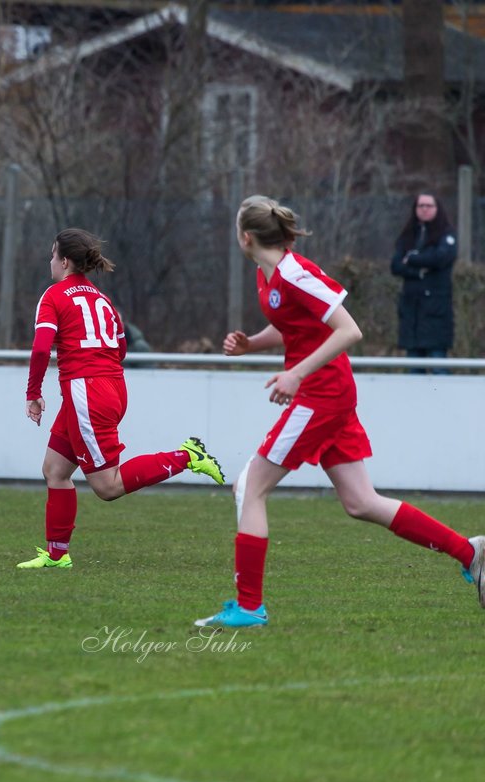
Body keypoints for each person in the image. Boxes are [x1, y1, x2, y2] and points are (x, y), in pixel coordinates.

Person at [196, 195, 484, 628]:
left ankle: (250, 607)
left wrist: (296, 374)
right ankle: (471, 551)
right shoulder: (267, 274)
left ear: (245, 236)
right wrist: (252, 344)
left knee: (249, 487)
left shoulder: (295, 273)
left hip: (321, 394)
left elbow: (349, 330)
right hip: (325, 393)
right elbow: (295, 325)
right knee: (361, 502)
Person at [18, 228, 226, 570]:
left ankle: (187, 456)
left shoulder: (54, 295)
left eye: (53, 255)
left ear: (65, 261)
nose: (50, 262)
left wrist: (33, 393)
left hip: (87, 392)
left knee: (107, 486)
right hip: (110, 387)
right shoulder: (103, 300)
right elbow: (122, 348)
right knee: (55, 470)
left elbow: (42, 347)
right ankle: (57, 555)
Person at [390, 193, 457, 374]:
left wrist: (411, 258)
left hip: (436, 312)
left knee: (438, 366)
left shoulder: (446, 234)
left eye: (429, 205)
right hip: (411, 313)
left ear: (437, 208)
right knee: (414, 369)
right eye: (421, 206)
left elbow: (440, 258)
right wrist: (419, 270)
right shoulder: (408, 235)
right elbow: (396, 265)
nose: (424, 209)